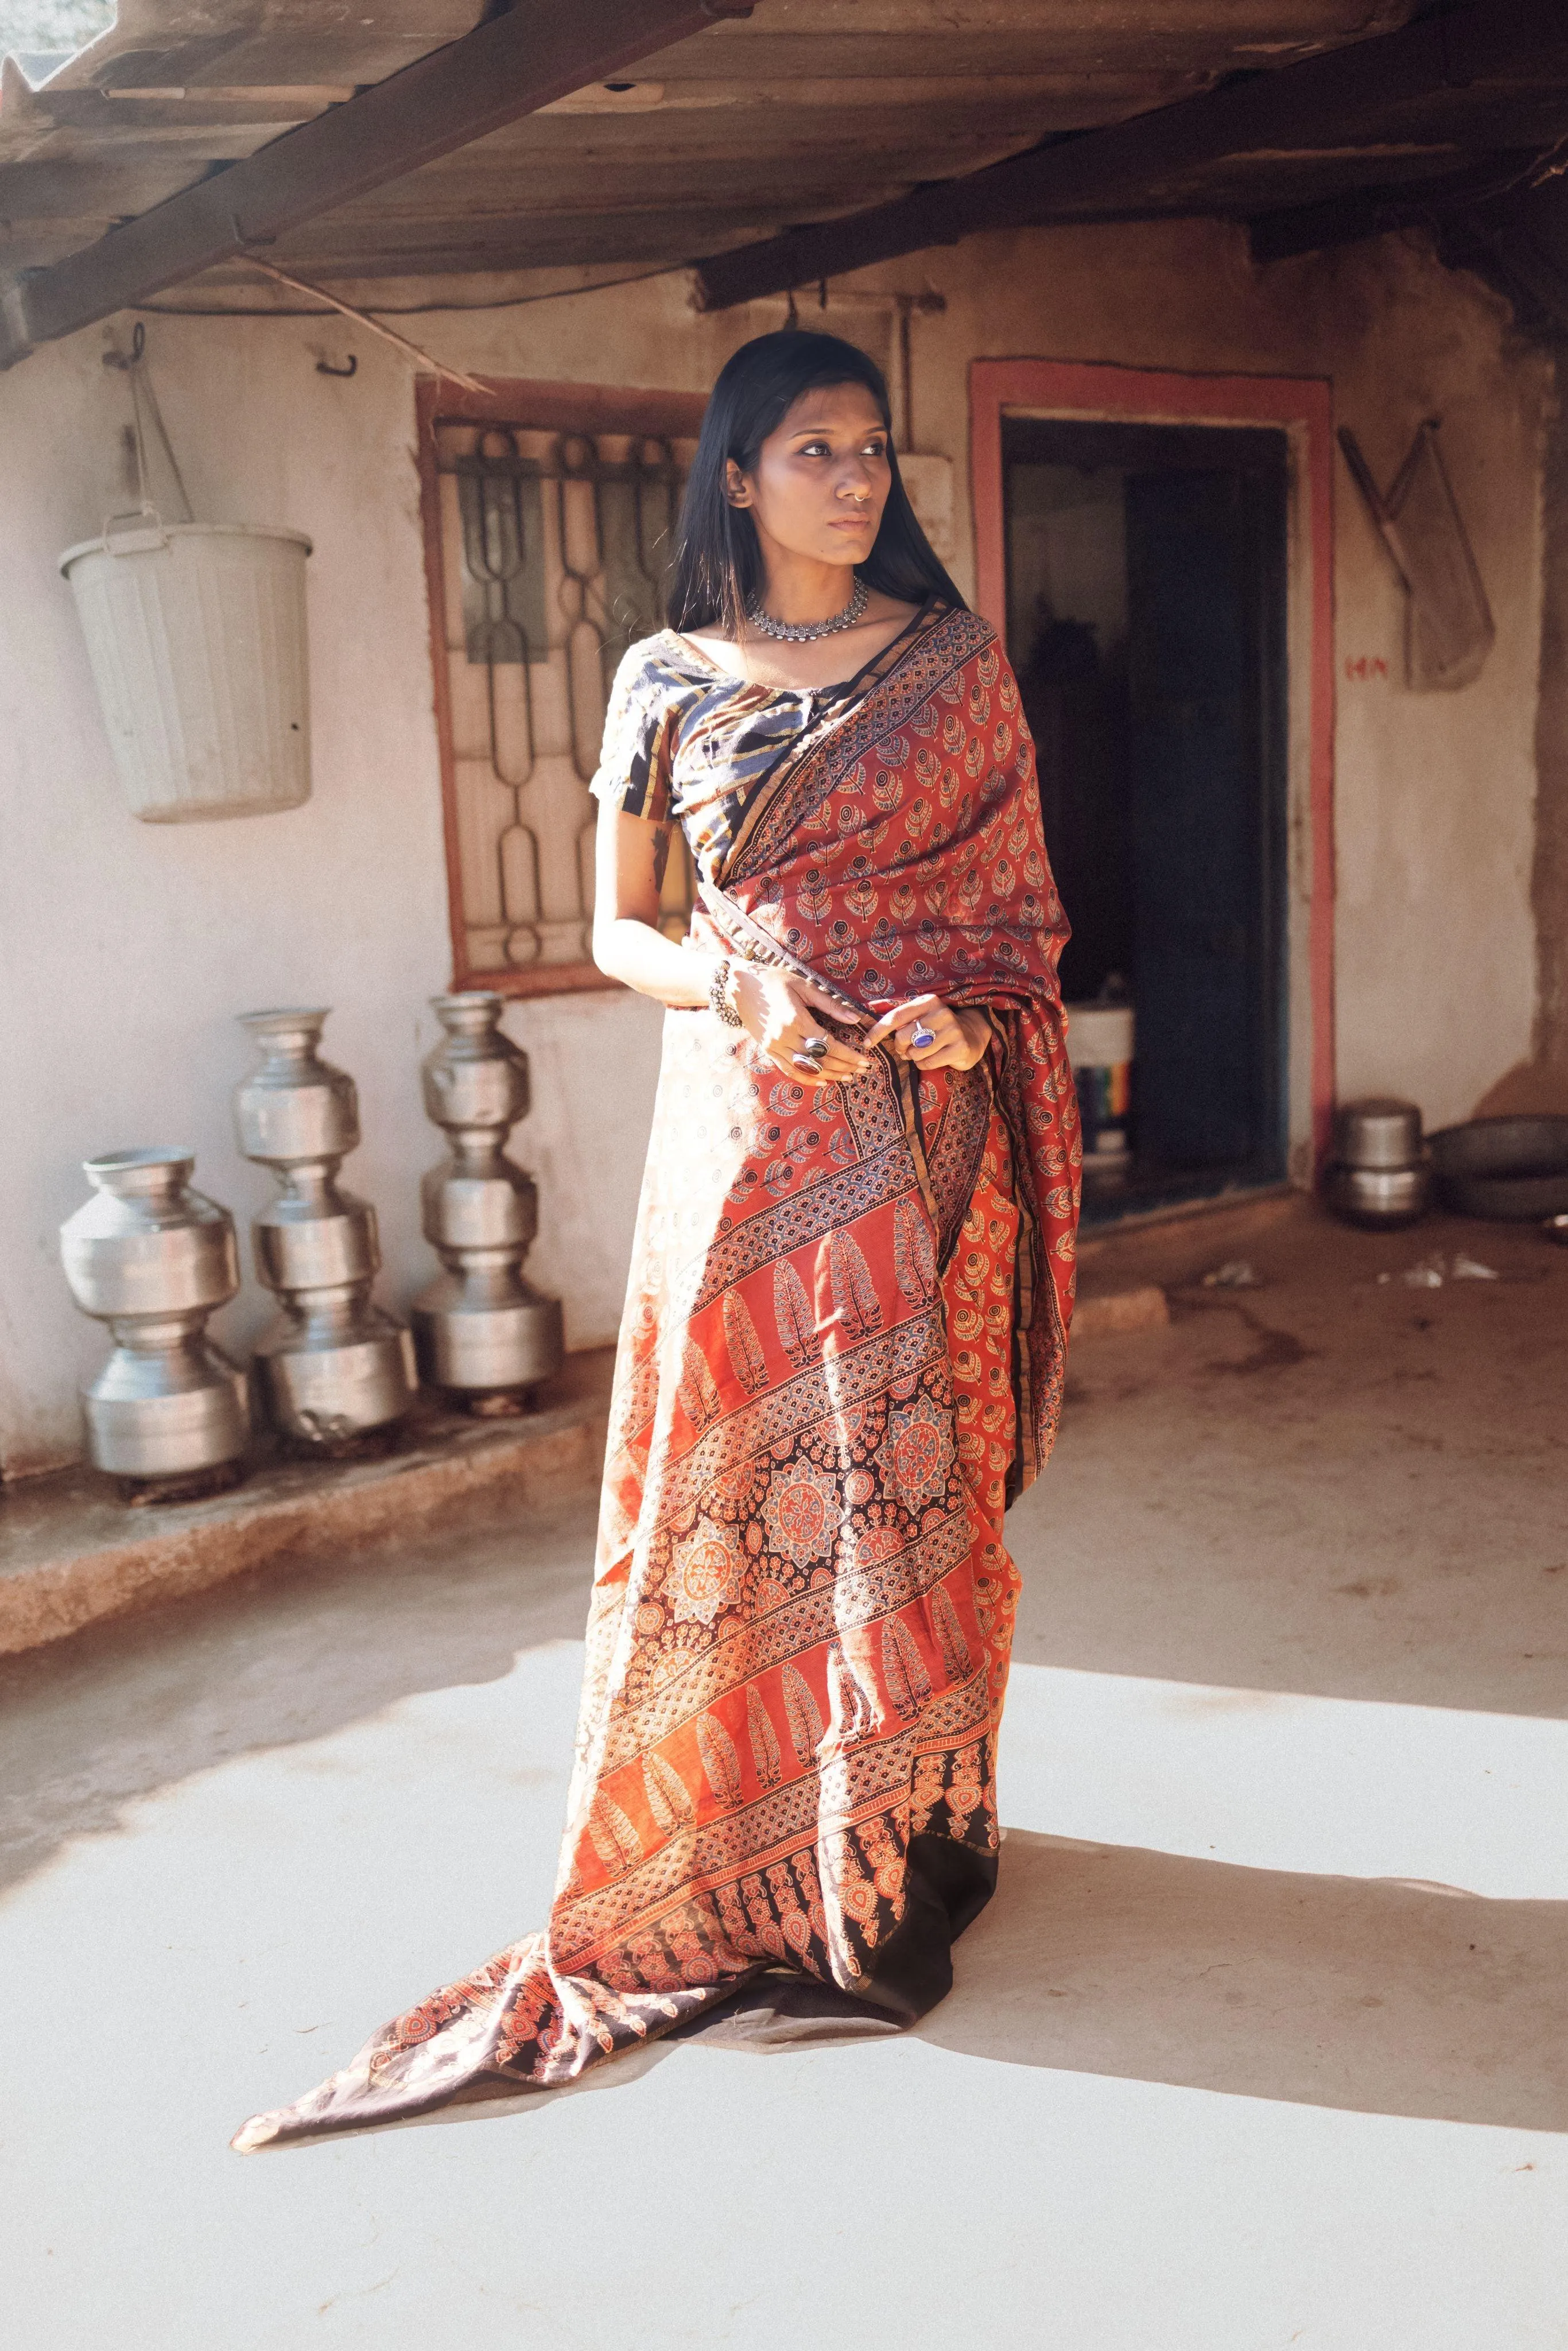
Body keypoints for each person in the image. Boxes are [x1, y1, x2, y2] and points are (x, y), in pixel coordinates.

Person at [233, 329, 1078, 2152]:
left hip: (922, 1131)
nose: (853, 479)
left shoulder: (954, 667)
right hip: (753, 1129)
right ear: (736, 477)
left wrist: (963, 1006)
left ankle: (896, 1855)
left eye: (870, 448)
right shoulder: (662, 678)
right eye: (811, 450)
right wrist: (739, 988)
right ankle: (729, 1852)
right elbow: (619, 927)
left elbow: (1016, 907)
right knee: (743, 1479)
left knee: (895, 1482)